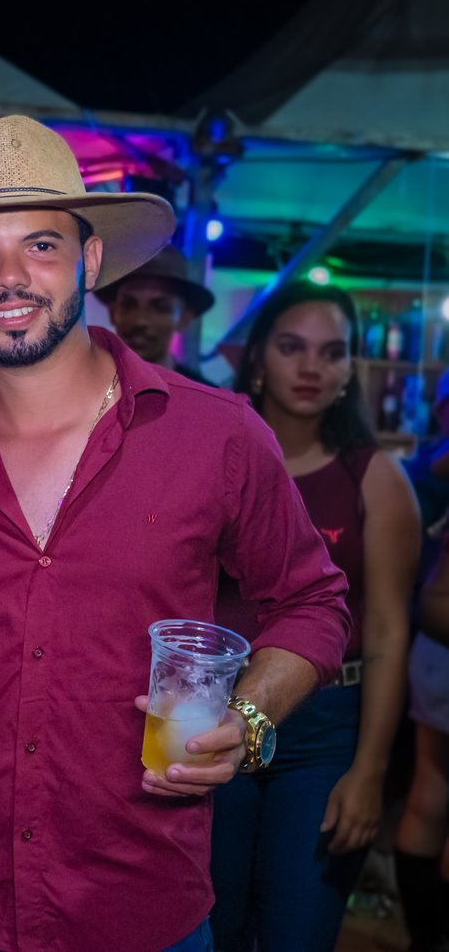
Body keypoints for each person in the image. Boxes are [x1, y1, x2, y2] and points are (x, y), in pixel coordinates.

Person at [0, 114, 351, 952]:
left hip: (142, 910)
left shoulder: (215, 435)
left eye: (41, 246)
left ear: (89, 261)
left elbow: (313, 602)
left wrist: (247, 718)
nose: (9, 277)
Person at [208, 281, 419, 950]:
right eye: (292, 347)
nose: (311, 368)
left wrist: (371, 772)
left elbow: (387, 633)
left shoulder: (376, 478)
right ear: (258, 356)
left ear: (351, 366)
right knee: (210, 925)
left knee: (298, 930)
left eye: (332, 352)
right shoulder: (213, 458)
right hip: (217, 708)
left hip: (326, 727)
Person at [406, 538, 449, 952]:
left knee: (429, 796)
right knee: (428, 797)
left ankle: (426, 940)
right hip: (440, 660)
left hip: (436, 659)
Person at [93, 243, 215, 385]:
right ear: (112, 311)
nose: (140, 320)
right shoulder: (85, 386)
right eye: (129, 304)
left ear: (184, 318)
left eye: (160, 307)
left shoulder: (200, 395)